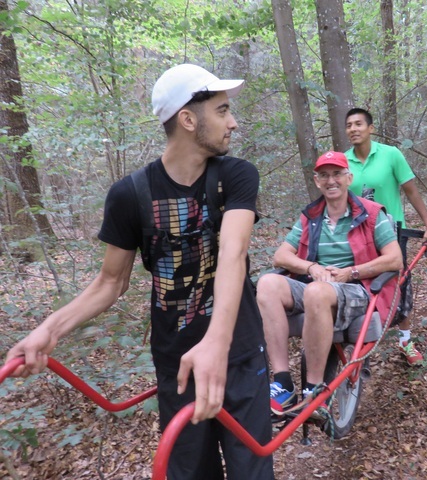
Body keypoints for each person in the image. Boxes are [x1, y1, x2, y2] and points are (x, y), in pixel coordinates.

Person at [5, 64, 274, 480]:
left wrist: (217, 345)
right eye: (222, 111)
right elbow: (111, 282)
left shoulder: (235, 176)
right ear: (188, 119)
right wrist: (49, 330)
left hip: (237, 354)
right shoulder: (130, 195)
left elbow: (233, 253)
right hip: (178, 365)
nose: (233, 122)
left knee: (251, 470)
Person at [256, 151, 403, 418]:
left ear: (349, 178)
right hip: (317, 283)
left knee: (316, 291)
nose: (330, 180)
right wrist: (311, 267)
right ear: (317, 181)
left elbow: (395, 259)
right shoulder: (311, 216)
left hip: (358, 288)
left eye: (336, 174)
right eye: (324, 175)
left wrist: (351, 272)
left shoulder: (371, 214)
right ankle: (283, 383)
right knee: (267, 283)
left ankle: (314, 390)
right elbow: (281, 255)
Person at [344, 107, 427, 365]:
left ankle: (406, 340)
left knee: (400, 284)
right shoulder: (343, 160)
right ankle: (361, 340)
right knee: (359, 283)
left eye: (359, 123)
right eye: (349, 125)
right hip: (357, 235)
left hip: (393, 233)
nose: (353, 129)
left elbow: (411, 190)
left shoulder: (391, 155)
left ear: (371, 128)